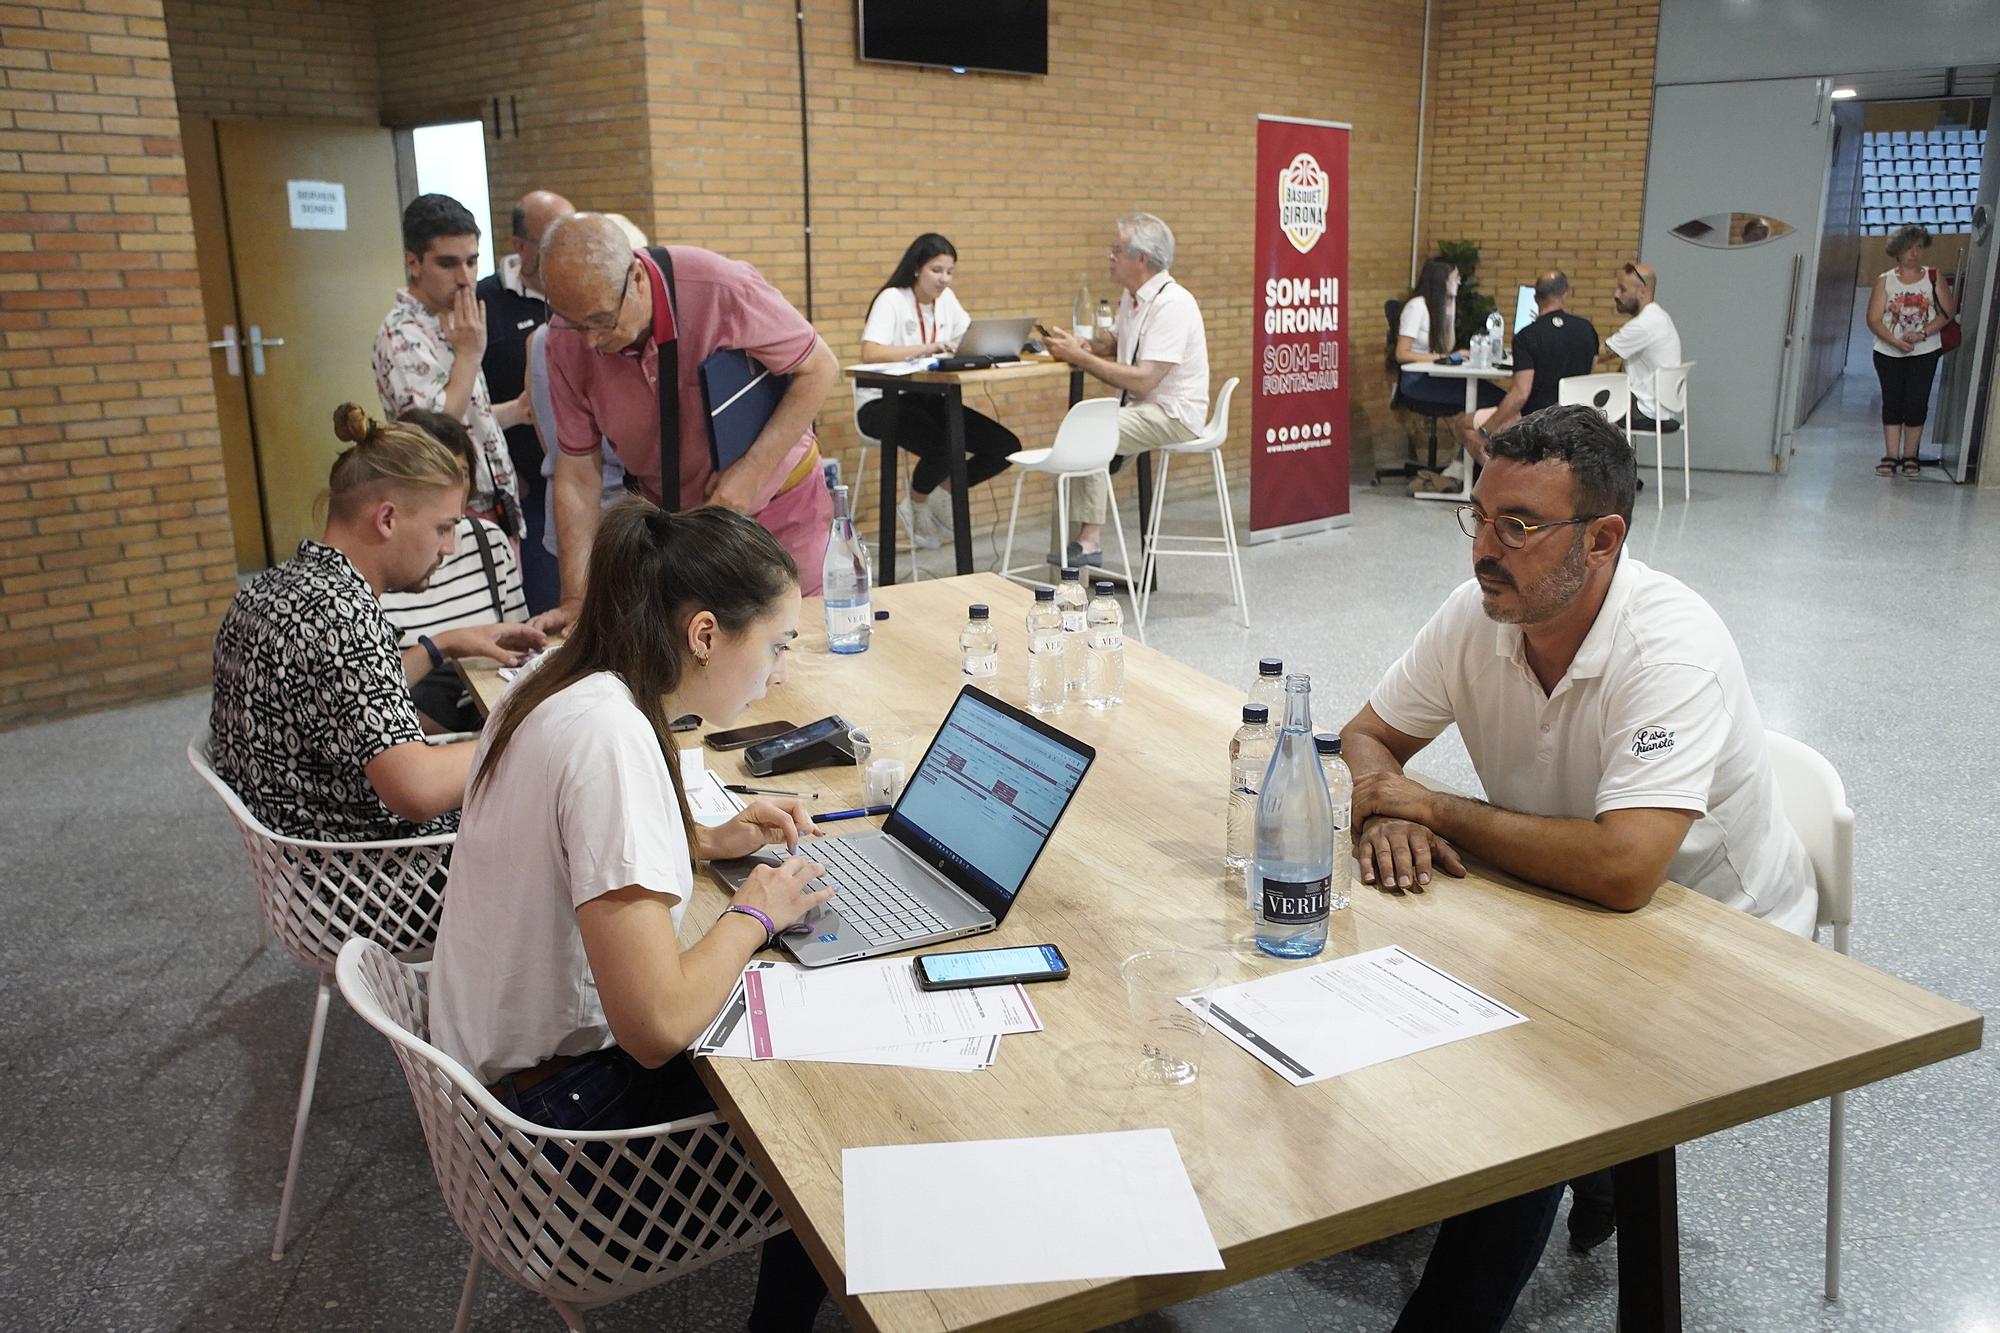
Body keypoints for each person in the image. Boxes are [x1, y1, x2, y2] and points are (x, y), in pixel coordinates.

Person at [1338, 403, 1816, 1292]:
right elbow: (1366, 739)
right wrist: (1387, 811)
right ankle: (1582, 1173)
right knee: (1369, 959)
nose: (1485, 547)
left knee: (1538, 1088)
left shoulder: (1671, 645)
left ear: (1602, 539)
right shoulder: (1477, 612)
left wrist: (1433, 808)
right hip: (1563, 903)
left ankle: (1552, 1200)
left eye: (1517, 526)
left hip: (1720, 933)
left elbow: (1625, 869)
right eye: (1478, 517)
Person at [428, 499, 834, 1331]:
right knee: (825, 1099)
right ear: (707, 634)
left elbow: (575, 844)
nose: (781, 671)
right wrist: (754, 912)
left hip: (481, 1103)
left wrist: (701, 839)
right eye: (778, 643)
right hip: (549, 1144)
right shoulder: (612, 735)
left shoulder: (561, 682)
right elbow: (655, 1026)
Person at [209, 404, 544, 842]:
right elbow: (416, 789)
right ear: (387, 519)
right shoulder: (342, 615)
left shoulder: (268, 590)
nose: (449, 548)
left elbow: (350, 698)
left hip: (302, 869)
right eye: (444, 528)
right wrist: (542, 738)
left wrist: (442, 644)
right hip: (377, 876)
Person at [536, 213, 838, 633]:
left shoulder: (719, 287)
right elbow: (576, 474)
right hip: (683, 531)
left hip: (777, 511)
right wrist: (576, 599)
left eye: (601, 321)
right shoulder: (563, 340)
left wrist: (749, 475)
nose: (589, 340)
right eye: (573, 322)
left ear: (637, 277)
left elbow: (820, 369)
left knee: (795, 652)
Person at [1040, 212, 1208, 567]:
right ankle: (1065, 566)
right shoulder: (1134, 297)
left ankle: (1088, 542)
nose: (1110, 256)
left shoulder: (1172, 303)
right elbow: (1117, 342)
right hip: (1139, 409)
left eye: (1117, 249)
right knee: (1076, 444)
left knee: (1089, 432)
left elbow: (1144, 379)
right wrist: (1083, 345)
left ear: (1141, 258)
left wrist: (1081, 360)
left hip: (1173, 414)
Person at [373, 193, 526, 541]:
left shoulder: (455, 319)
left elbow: (466, 415)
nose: (465, 277)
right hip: (449, 511)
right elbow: (436, 431)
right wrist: (470, 355)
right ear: (413, 263)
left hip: (495, 503)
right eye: (447, 263)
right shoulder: (401, 333)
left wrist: (516, 411)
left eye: (472, 262)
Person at [856, 232, 1021, 550]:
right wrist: (929, 347)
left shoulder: (948, 300)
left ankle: (940, 492)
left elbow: (971, 339)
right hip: (883, 401)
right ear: (917, 268)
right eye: (936, 270)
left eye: (949, 271)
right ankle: (915, 502)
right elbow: (871, 352)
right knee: (948, 446)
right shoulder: (893, 298)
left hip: (929, 397)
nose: (944, 279)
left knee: (1005, 446)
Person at [380, 408, 534, 734]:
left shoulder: (488, 540)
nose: (453, 488)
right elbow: (373, 695)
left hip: (495, 722)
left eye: (461, 472)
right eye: (439, 474)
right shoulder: (378, 568)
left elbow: (520, 649)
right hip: (419, 742)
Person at [477, 189, 575, 611]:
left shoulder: (578, 291)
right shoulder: (484, 304)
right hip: (525, 485)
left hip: (585, 476)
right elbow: (468, 405)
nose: (566, 250)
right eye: (554, 238)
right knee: (546, 601)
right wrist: (505, 469)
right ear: (520, 246)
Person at [1468, 271, 1599, 456]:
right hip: (1577, 422)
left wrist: (1486, 429)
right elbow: (1588, 374)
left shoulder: (1526, 336)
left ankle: (1494, 480)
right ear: (1566, 293)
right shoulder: (1588, 330)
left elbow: (1520, 394)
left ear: (1536, 298)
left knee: (1464, 425)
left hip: (1537, 423)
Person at [1394, 258, 1502, 476]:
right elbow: (1401, 353)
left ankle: (1465, 464)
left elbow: (1447, 346)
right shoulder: (1417, 307)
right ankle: (1462, 465)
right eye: (1455, 278)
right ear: (1442, 280)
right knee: (1492, 400)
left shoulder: (1438, 306)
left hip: (1433, 375)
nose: (1459, 282)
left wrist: (1451, 306)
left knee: (1496, 397)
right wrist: (1444, 357)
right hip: (1417, 382)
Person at [1866, 223, 1956, 477]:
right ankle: (1891, 455)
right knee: (1892, 401)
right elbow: (1873, 318)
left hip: (1925, 350)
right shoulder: (1885, 280)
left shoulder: (1933, 276)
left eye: (1918, 247)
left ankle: (1910, 455)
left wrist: (1922, 333)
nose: (1914, 253)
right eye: (1908, 248)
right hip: (1888, 352)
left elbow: (1947, 312)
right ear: (1897, 251)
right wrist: (1895, 341)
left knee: (1917, 402)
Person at [1598, 261, 1683, 441]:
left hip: (1644, 410)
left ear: (1643, 292)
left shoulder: (1643, 325)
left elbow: (1599, 355)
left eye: (1622, 289)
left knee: (1580, 409)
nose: (1616, 294)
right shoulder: (1660, 316)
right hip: (1662, 407)